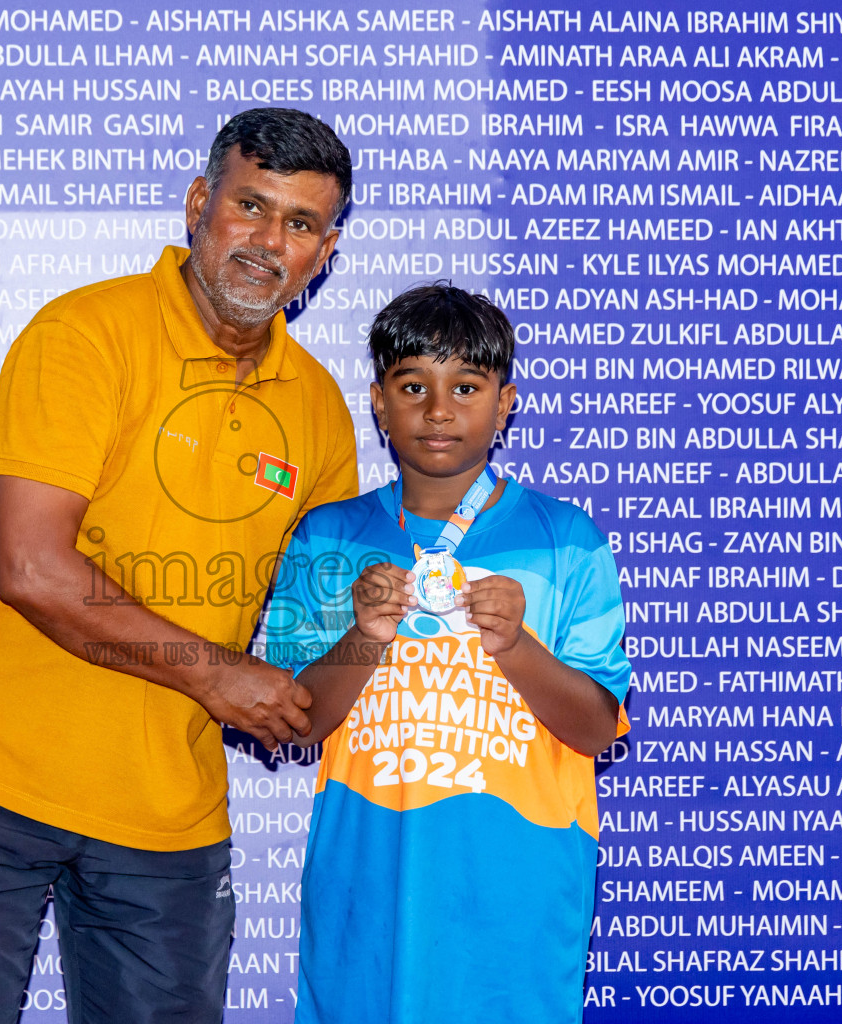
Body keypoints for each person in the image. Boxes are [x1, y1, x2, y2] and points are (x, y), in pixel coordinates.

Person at [0, 108, 357, 1024]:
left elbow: (309, 639)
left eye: (298, 224)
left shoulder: (322, 410)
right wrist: (219, 677)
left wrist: (394, 625)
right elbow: (34, 570)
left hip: (169, 809)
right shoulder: (86, 333)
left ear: (324, 253)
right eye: (250, 206)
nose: (266, 242)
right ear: (199, 203)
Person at [262, 284, 630, 1023]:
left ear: (505, 404)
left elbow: (596, 728)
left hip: (513, 890)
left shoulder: (567, 538)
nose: (438, 409)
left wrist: (518, 647)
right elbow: (297, 721)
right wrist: (362, 637)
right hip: (367, 881)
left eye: (466, 387)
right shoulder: (328, 537)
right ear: (377, 401)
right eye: (412, 386)